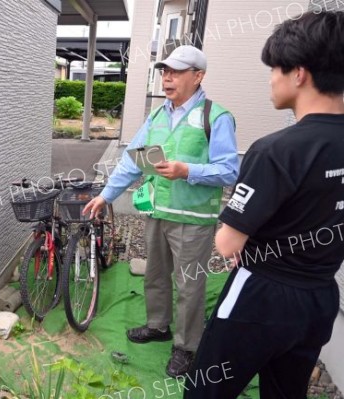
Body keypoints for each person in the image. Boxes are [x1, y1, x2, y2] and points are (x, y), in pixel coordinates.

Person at [183, 10, 344, 399]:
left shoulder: (276, 150)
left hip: (261, 296)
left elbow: (227, 243)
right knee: (285, 391)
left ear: (299, 73)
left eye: (274, 69)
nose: (271, 79)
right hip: (321, 296)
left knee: (206, 391)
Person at [83, 45, 239, 377]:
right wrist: (106, 195)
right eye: (165, 72)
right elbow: (132, 160)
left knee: (189, 284)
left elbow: (230, 170)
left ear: (198, 77)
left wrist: (189, 171)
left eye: (176, 72)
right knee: (155, 275)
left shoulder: (216, 117)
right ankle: (158, 325)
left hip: (193, 218)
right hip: (155, 211)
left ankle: (186, 346)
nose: (167, 79)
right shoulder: (156, 115)